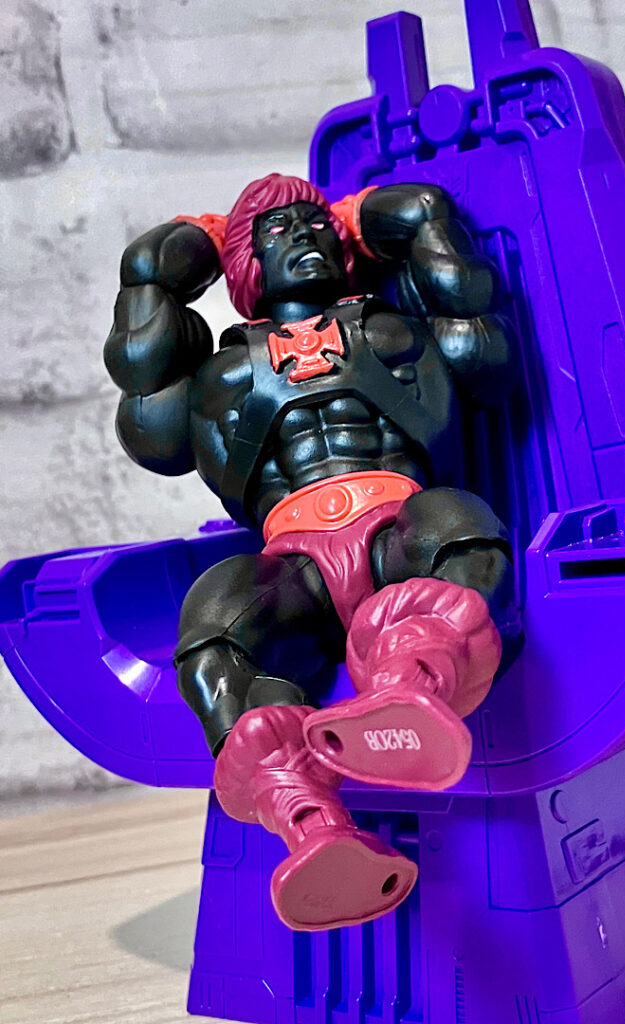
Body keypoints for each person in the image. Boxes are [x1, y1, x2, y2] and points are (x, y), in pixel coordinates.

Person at [104, 173, 519, 931]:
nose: (304, 234)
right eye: (277, 229)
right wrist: (175, 258)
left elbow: (479, 344)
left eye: (317, 222)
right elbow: (152, 420)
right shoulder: (222, 373)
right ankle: (310, 824)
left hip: (398, 522)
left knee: (461, 526)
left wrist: (398, 218)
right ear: (246, 261)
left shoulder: (393, 332)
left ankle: (411, 690)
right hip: (293, 559)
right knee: (213, 627)